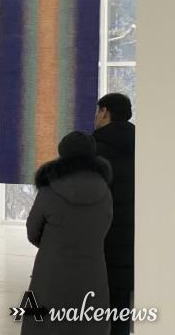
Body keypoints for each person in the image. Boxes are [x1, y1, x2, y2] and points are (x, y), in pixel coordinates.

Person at [22, 131, 113, 335]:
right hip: (92, 271)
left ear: (62, 153)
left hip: (51, 271)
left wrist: (52, 245)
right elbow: (105, 226)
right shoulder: (105, 190)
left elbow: (32, 230)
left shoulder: (49, 189)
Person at [93, 93, 135, 335]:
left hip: (102, 237)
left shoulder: (95, 150)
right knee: (121, 302)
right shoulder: (144, 144)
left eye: (97, 111)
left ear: (104, 112)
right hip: (133, 237)